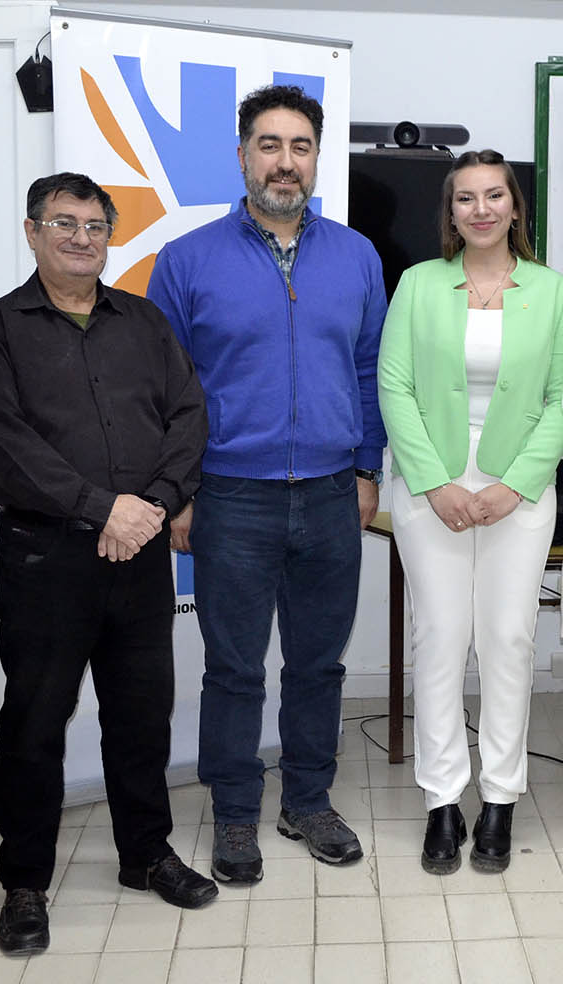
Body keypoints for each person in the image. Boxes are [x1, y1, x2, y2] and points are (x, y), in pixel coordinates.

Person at [0, 172, 215, 956]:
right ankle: (25, 881)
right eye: (63, 223)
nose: (80, 237)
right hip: (47, 555)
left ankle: (145, 856)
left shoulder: (143, 322)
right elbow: (5, 443)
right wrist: (105, 509)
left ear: (109, 236)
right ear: (32, 232)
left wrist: (152, 505)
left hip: (138, 552)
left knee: (141, 713)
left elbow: (189, 415)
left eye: (95, 225)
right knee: (34, 722)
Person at [147, 84, 387, 884]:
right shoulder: (187, 261)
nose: (287, 162)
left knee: (319, 665)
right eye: (271, 145)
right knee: (235, 670)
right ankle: (238, 816)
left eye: (302, 146)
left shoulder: (355, 255)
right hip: (229, 497)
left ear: (317, 158)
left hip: (328, 494)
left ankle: (309, 802)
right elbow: (166, 389)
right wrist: (177, 492)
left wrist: (363, 468)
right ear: (244, 155)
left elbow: (368, 371)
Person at [377, 150, 563, 875]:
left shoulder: (552, 291)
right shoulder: (419, 284)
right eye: (467, 198)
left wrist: (517, 482)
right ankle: (440, 802)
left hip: (516, 493)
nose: (482, 209)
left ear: (516, 207)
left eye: (496, 196)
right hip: (433, 491)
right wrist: (434, 481)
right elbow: (393, 386)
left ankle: (499, 799)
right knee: (438, 640)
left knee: (508, 642)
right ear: (451, 211)